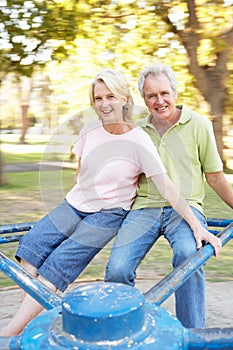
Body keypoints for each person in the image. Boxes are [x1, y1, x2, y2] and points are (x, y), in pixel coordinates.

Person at [0, 68, 219, 337]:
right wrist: (66, 214)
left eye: (111, 96)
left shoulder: (139, 138)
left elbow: (166, 184)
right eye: (98, 98)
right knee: (30, 249)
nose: (104, 104)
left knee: (56, 266)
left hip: (110, 212)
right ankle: (37, 319)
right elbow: (81, 174)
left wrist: (197, 225)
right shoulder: (89, 130)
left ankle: (10, 333)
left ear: (126, 99)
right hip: (76, 205)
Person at [105, 62, 232, 329]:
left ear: (174, 92)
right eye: (151, 96)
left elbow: (215, 177)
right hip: (145, 208)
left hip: (186, 209)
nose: (159, 101)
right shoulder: (136, 131)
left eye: (164, 93)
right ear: (144, 98)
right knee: (117, 268)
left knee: (189, 254)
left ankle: (192, 333)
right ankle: (124, 329)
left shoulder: (199, 125)